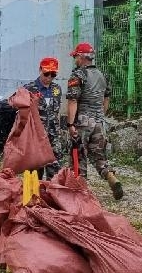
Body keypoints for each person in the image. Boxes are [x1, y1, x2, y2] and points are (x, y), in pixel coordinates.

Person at [66, 43, 123, 199]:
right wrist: (100, 116)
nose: (75, 59)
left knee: (78, 155)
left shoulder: (78, 75)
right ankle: (111, 177)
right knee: (99, 155)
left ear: (82, 57)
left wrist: (70, 124)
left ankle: (80, 192)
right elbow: (106, 99)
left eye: (76, 56)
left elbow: (72, 101)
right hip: (99, 122)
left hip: (83, 122)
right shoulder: (102, 75)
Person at [24, 57, 66, 181]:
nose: (49, 77)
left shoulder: (56, 89)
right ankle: (34, 196)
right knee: (35, 169)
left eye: (53, 74)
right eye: (46, 73)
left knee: (55, 167)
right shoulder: (29, 88)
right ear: (40, 70)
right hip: (36, 135)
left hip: (53, 134)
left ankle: (51, 194)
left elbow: (56, 111)